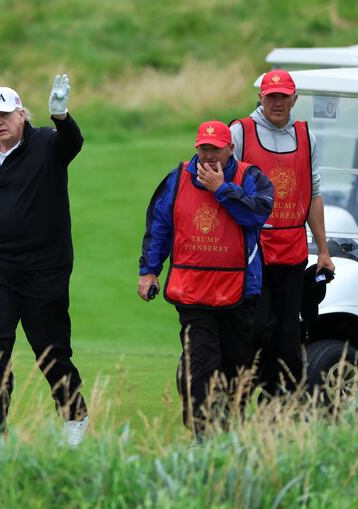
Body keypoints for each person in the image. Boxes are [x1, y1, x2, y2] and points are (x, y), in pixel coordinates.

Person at [0, 74, 88, 453]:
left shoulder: (46, 143)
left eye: (4, 115)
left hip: (43, 267)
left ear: (21, 114)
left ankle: (75, 417)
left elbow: (72, 143)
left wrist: (61, 115)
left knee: (50, 349)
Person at [138, 120, 273, 437]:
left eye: (216, 149)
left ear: (231, 149)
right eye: (204, 149)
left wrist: (221, 190)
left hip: (238, 291)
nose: (209, 155)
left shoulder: (251, 178)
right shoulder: (177, 179)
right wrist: (149, 271)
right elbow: (159, 226)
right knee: (202, 362)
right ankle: (203, 433)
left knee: (237, 364)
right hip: (192, 291)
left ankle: (230, 426)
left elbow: (257, 214)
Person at [230, 69, 335, 398]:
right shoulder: (240, 133)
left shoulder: (306, 137)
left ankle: (277, 405)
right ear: (260, 97)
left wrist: (323, 250)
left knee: (288, 337)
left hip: (292, 251)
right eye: (271, 96)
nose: (277, 102)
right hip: (253, 251)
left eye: (283, 96)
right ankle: (241, 393)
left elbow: (313, 194)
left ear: (294, 99)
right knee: (258, 327)